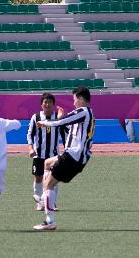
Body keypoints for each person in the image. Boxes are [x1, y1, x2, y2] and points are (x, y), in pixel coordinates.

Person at [33, 87, 95, 231]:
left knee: (48, 184)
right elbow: (67, 125)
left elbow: (61, 122)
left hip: (73, 156)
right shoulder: (89, 113)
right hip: (76, 156)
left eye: (74, 100)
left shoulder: (82, 112)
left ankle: (49, 220)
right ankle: (46, 199)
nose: (73, 103)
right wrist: (61, 118)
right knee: (47, 163)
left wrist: (45, 123)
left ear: (80, 99)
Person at [27, 93, 65, 211]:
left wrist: (66, 149)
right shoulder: (36, 117)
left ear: (53, 105)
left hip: (53, 155)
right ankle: (40, 203)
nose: (47, 104)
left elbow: (64, 134)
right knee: (38, 178)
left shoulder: (58, 118)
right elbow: (29, 134)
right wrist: (30, 148)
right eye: (45, 102)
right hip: (38, 155)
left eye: (49, 102)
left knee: (53, 179)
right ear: (41, 104)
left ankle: (52, 203)